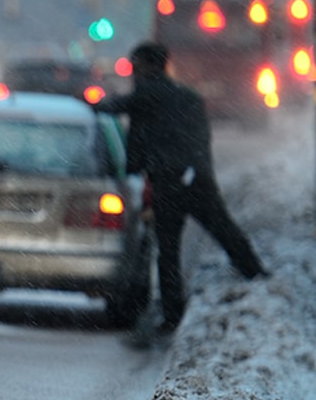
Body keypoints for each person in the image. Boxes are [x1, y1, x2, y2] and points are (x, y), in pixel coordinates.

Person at [93, 42, 268, 334]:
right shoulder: (189, 97)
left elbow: (110, 107)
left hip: (167, 180)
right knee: (223, 228)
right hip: (196, 176)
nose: (132, 71)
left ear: (148, 66)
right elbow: (200, 138)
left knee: (168, 248)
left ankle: (173, 313)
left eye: (135, 65)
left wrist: (81, 104)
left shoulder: (146, 94)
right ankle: (254, 272)